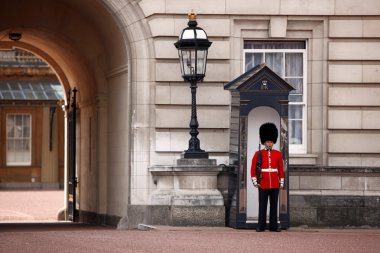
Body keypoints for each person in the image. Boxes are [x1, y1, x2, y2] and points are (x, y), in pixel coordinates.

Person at [251, 122, 284, 232]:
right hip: (263, 182)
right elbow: (253, 169)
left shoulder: (278, 154)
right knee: (262, 206)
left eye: (270, 142)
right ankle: (261, 225)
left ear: (273, 142)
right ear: (264, 142)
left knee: (274, 206)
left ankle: (273, 226)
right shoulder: (258, 153)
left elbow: (280, 168)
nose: (269, 144)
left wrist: (281, 181)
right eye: (267, 142)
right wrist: (255, 181)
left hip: (274, 182)